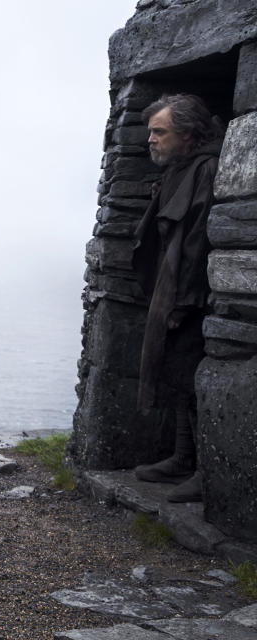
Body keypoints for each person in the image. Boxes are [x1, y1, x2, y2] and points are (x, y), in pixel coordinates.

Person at [132, 94, 223, 503]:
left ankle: (207, 471)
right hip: (170, 290)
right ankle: (182, 458)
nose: (150, 139)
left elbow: (199, 240)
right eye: (151, 131)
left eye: (159, 131)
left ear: (186, 135)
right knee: (176, 376)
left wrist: (183, 302)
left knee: (191, 377)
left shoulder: (204, 171)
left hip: (191, 296)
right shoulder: (176, 170)